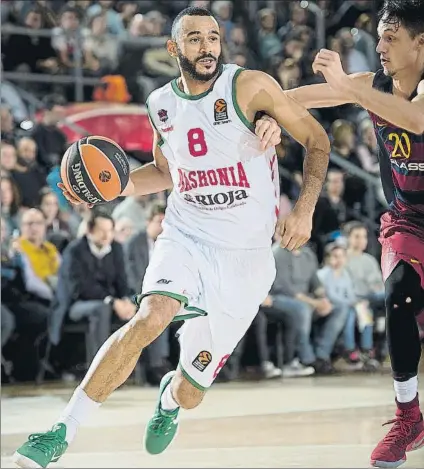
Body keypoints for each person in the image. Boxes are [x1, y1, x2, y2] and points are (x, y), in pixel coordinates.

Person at [13, 7, 330, 468]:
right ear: (174, 48)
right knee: (150, 316)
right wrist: (112, 186)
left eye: (214, 37)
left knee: (190, 392)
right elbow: (165, 173)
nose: (207, 47)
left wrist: (304, 209)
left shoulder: (250, 86)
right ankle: (64, 429)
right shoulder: (161, 103)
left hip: (246, 259)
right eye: (196, 38)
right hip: (187, 233)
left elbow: (318, 139)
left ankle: (169, 398)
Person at [287, 1, 424, 466]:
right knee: (398, 295)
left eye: (391, 38)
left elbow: (417, 120)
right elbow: (308, 98)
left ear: (421, 43)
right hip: (408, 220)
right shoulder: (373, 85)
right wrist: (264, 110)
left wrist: (348, 87)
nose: (379, 46)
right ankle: (408, 415)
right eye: (379, 37)